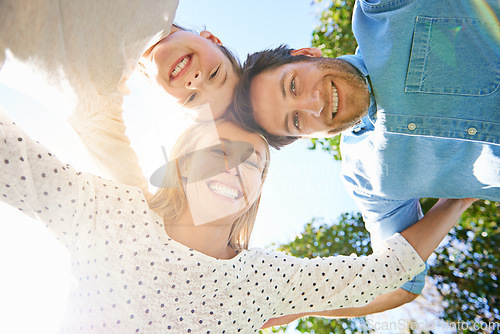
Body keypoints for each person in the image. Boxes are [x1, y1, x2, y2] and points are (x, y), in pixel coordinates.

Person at [0, 105, 476, 332]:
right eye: (219, 152)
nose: (236, 167)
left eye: (254, 163)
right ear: (182, 163)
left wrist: (458, 199)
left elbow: (383, 274)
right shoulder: (113, 214)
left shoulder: (264, 278)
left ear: (257, 192)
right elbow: (17, 160)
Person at [231, 0, 500, 317]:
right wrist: (272, 311)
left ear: (307, 55)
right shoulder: (366, 177)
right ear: (305, 137)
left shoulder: (383, 10)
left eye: (293, 85)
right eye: (296, 121)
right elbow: (397, 283)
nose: (314, 104)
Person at [0, 0, 240, 198]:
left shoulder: (96, 97)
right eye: (215, 73)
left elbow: (139, 207)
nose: (196, 81)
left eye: (192, 98)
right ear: (212, 39)